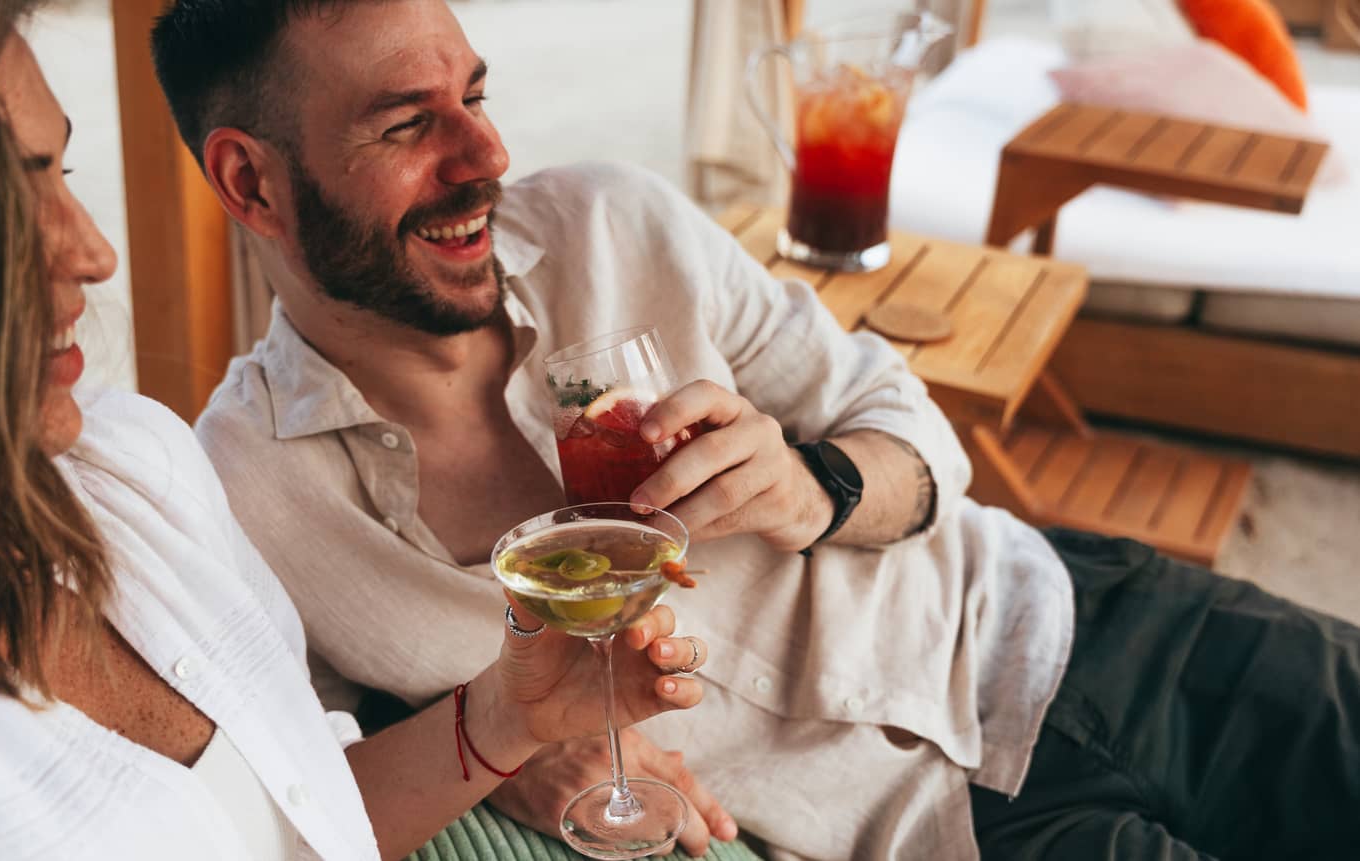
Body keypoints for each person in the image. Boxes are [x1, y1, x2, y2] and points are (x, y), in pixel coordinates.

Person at [162, 0, 1360, 858]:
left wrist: (814, 483)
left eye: (475, 95)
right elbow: (306, 796)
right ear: (251, 183)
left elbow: (907, 430)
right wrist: (513, 762)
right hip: (921, 830)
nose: (487, 156)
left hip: (1063, 621)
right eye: (406, 124)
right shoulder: (240, 494)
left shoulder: (615, 224)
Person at [0, 3, 713, 859]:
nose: (93, 252)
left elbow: (305, 804)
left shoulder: (134, 462)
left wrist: (504, 719)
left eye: (61, 175)